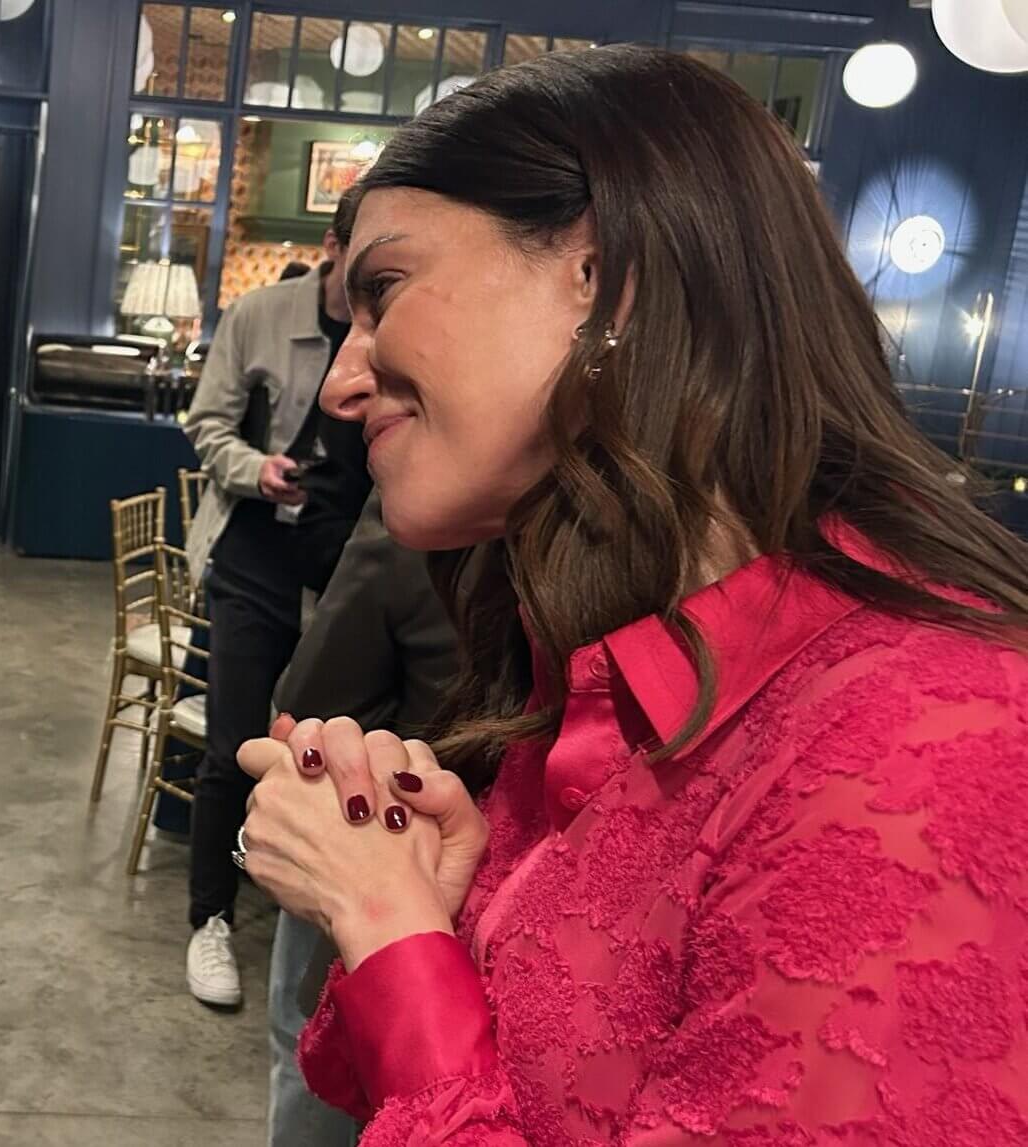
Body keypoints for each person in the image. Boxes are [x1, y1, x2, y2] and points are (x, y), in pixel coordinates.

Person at [234, 45, 1028, 1141]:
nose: (340, 380)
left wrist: (385, 927)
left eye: (382, 292)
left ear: (605, 278)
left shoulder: (929, 735)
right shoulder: (605, 666)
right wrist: (442, 903)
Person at [179, 189, 373, 1008]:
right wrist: (256, 469)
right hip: (255, 547)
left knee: (331, 745)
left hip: (350, 561)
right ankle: (209, 918)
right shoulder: (261, 315)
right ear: (333, 245)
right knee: (234, 743)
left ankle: (308, 901)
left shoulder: (403, 331)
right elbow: (205, 424)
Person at [263, 490, 455, 1147]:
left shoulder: (428, 515)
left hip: (385, 879)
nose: (344, 389)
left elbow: (305, 702)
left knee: (310, 1052)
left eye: (395, 380)